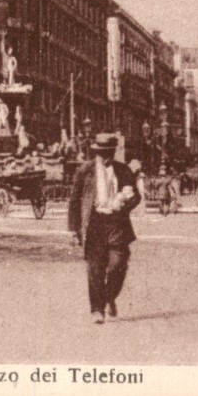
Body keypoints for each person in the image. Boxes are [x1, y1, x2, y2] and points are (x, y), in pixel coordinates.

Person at [68, 133, 141, 324]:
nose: (105, 157)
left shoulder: (123, 170)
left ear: (113, 152)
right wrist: (74, 230)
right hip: (94, 224)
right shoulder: (85, 170)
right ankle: (97, 309)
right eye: (101, 153)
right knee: (95, 268)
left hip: (117, 223)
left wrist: (125, 204)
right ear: (96, 152)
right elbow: (74, 201)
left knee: (118, 264)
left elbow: (136, 197)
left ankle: (109, 298)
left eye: (109, 153)